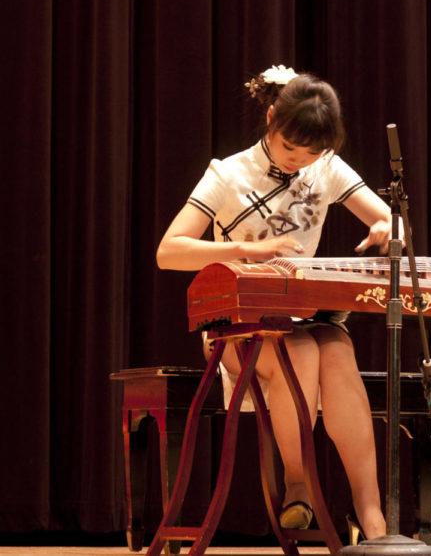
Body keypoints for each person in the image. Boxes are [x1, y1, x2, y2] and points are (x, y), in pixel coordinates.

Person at [156, 65, 389, 540]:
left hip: (306, 312)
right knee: (298, 350)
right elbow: (170, 251)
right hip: (237, 324)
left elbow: (390, 218)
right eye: (289, 148)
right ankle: (297, 482)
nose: (299, 161)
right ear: (270, 120)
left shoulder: (325, 167)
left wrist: (387, 227)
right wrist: (247, 250)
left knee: (339, 355)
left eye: (311, 153)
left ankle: (373, 518)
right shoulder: (228, 174)